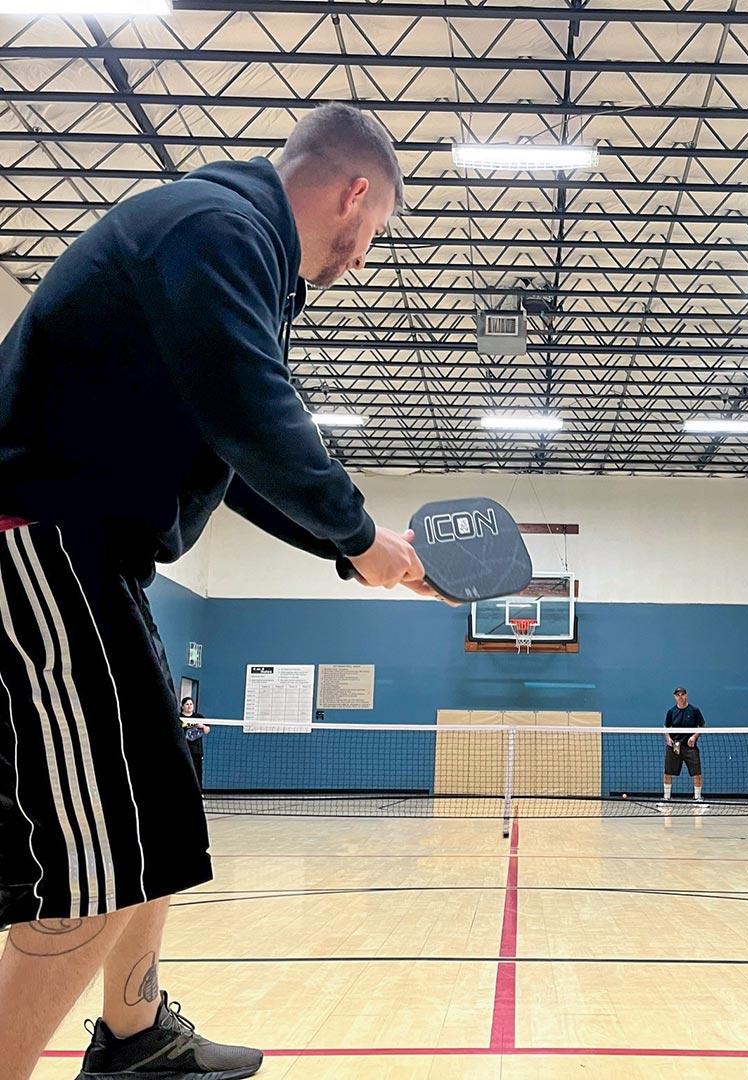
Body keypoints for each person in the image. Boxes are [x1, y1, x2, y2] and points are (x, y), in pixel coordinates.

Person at [0, 104, 437, 1080]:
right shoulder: (218, 227)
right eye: (368, 236)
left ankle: (135, 1035)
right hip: (33, 540)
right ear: (353, 192)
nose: (359, 260)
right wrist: (359, 533)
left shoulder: (227, 247)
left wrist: (358, 550)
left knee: (151, 817)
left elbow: (226, 455)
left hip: (91, 556)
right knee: (90, 872)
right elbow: (251, 411)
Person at [662, 686, 706, 802]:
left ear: (686, 695)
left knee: (696, 772)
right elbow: (665, 728)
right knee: (668, 772)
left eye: (682, 694)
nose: (680, 697)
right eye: (678, 695)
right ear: (674, 697)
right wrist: (668, 738)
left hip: (690, 747)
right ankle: (666, 798)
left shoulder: (694, 711)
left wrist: (694, 737)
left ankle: (698, 798)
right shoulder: (671, 712)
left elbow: (702, 726)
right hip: (674, 746)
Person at [179, 697, 210, 791]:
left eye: (191, 704)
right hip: (183, 750)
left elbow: (207, 730)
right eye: (187, 704)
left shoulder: (199, 717)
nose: (189, 706)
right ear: (182, 706)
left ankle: (199, 793)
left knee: (197, 773)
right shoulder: (178, 717)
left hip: (196, 751)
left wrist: (202, 726)